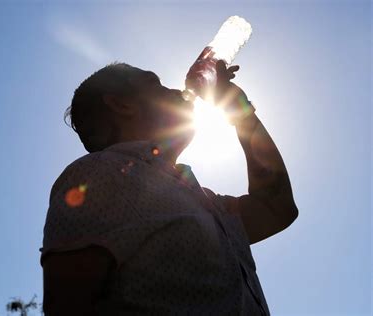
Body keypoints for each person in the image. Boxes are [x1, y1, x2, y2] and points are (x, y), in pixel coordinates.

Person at [40, 60, 298, 315]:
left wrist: (241, 114)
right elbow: (67, 305)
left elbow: (276, 207)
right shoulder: (98, 174)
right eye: (156, 84)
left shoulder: (204, 200)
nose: (176, 91)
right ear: (122, 104)